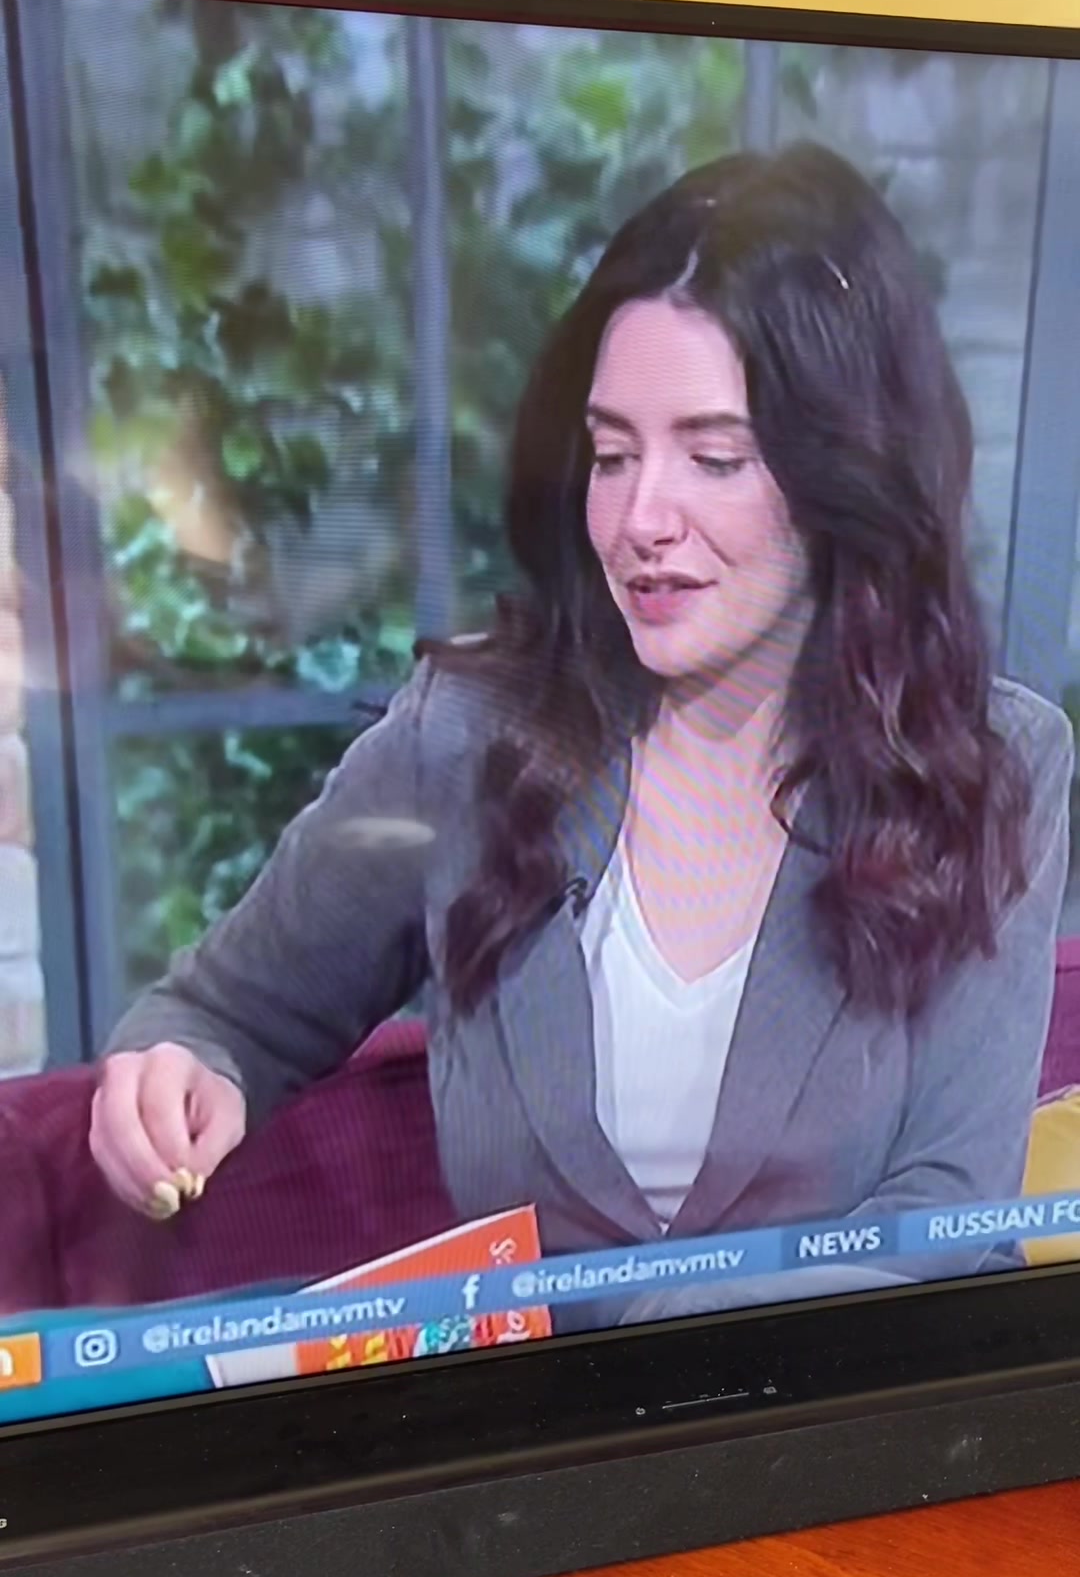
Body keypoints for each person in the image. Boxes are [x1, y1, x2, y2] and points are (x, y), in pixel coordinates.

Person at [91, 142, 1073, 1313]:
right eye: (611, 455)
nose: (640, 517)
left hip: (850, 1409)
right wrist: (181, 1073)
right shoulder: (466, 735)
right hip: (530, 1428)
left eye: (713, 457)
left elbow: (945, 1218)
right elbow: (225, 1011)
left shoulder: (996, 762)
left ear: (843, 473)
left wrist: (651, 1339)